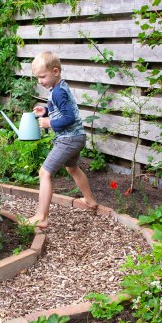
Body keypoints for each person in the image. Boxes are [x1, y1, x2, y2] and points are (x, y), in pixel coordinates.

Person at [28, 51, 97, 228]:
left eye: (42, 76)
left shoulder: (58, 92)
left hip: (68, 139)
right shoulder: (59, 88)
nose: (40, 81)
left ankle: (42, 217)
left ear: (55, 71)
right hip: (76, 137)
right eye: (37, 77)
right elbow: (61, 110)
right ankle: (90, 201)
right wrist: (46, 111)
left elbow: (69, 118)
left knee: (44, 173)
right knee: (72, 168)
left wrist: (49, 123)